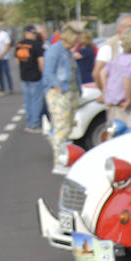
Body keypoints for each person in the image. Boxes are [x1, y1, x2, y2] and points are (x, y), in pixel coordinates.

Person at [42, 23, 81, 172]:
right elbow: (49, 72)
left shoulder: (67, 51)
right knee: (61, 128)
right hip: (60, 94)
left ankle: (63, 157)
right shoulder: (55, 50)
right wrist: (58, 87)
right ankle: (59, 162)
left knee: (66, 126)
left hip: (70, 92)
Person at [95, 13, 131, 93]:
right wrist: (104, 93)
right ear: (120, 28)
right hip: (116, 97)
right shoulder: (109, 46)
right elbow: (97, 72)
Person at [15, 25, 46, 132]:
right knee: (36, 101)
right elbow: (41, 61)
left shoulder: (19, 45)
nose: (34, 35)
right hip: (35, 76)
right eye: (33, 33)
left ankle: (29, 122)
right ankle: (35, 124)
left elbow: (17, 61)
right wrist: (44, 74)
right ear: (27, 33)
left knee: (28, 101)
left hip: (24, 75)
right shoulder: (37, 45)